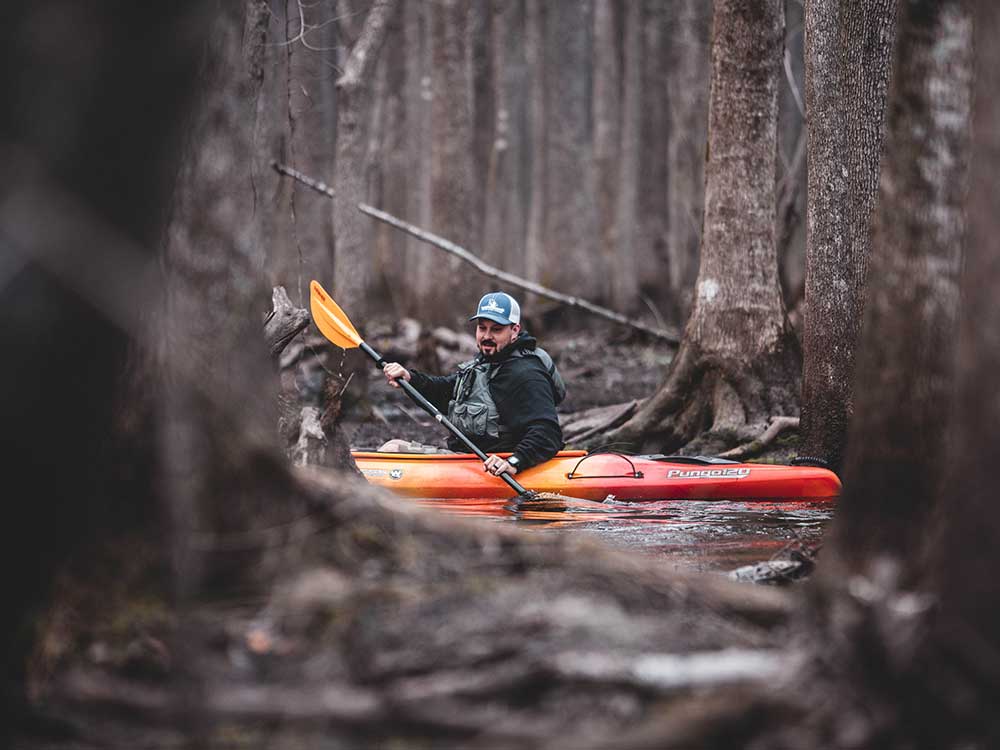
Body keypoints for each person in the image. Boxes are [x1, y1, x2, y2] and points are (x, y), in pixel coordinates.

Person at [381, 291, 566, 478]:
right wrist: (409, 378)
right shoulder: (488, 362)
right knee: (392, 447)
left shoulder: (525, 374)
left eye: (496, 329)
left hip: (496, 469)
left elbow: (547, 432)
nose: (487, 336)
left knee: (392, 450)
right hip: (468, 461)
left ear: (514, 331)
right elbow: (446, 392)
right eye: (482, 328)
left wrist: (514, 462)